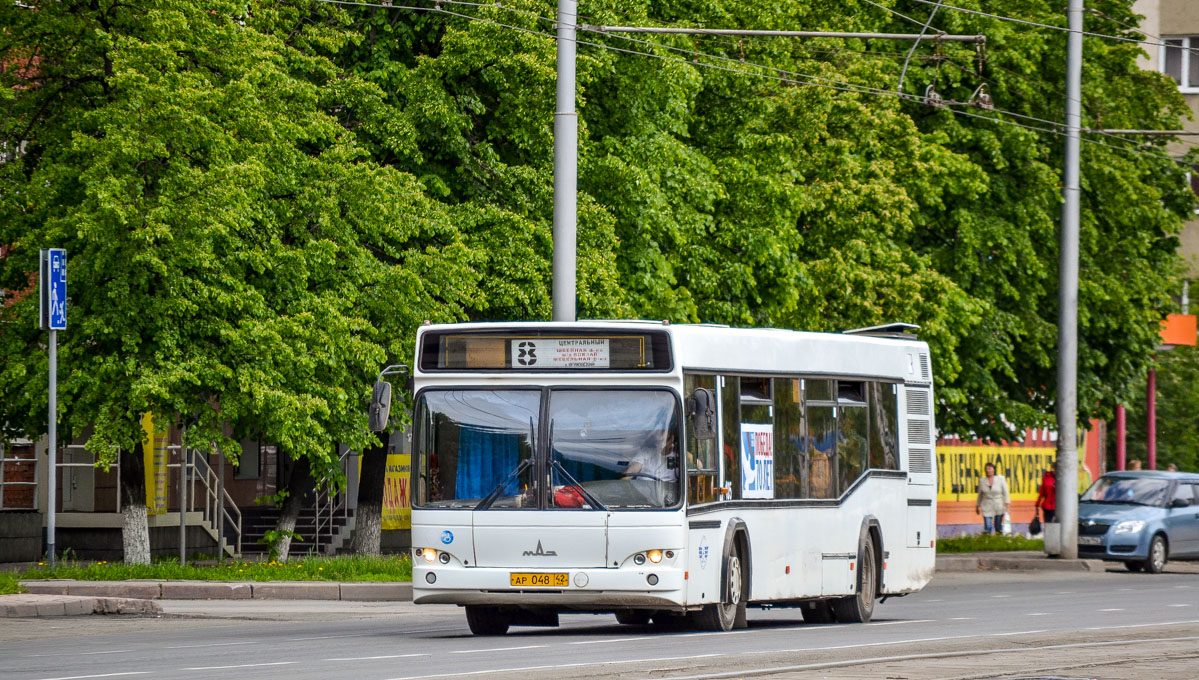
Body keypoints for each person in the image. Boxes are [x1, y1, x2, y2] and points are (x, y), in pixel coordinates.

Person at [976, 462, 1010, 535]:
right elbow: (980, 494)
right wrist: (977, 505)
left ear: (993, 469)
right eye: (986, 469)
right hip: (986, 506)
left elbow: (1006, 492)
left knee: (998, 526)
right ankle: (988, 542)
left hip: (999, 505)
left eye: (989, 468)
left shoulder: (1001, 478)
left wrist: (1007, 503)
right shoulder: (982, 480)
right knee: (988, 527)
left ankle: (999, 542)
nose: (988, 470)